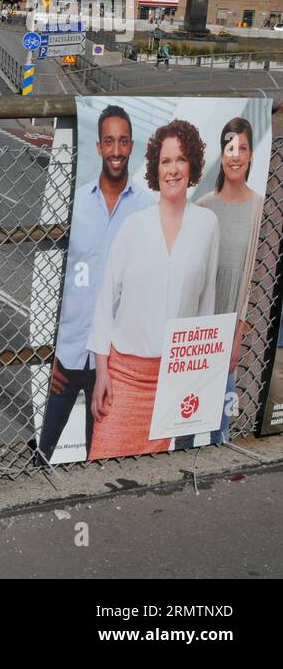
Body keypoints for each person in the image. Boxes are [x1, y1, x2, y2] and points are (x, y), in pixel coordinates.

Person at [88, 120, 219, 460]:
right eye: (165, 161)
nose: (172, 170)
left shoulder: (208, 225)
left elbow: (206, 308)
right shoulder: (134, 226)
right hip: (125, 377)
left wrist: (197, 377)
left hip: (175, 378)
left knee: (155, 485)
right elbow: (105, 305)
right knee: (103, 468)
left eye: (180, 160)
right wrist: (102, 373)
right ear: (154, 168)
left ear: (192, 165)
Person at [39, 106, 151, 463]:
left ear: (131, 146)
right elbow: (53, 273)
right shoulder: (77, 204)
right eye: (108, 141)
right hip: (69, 351)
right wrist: (50, 348)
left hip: (114, 357)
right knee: (43, 450)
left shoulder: (147, 210)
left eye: (122, 141)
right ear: (99, 147)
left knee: (99, 454)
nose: (116, 150)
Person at [194, 117, 264, 445]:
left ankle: (219, 447)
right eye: (230, 147)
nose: (235, 155)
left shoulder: (257, 208)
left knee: (220, 411)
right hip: (198, 321)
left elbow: (250, 279)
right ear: (222, 154)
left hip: (229, 320)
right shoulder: (203, 206)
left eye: (243, 148)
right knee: (188, 403)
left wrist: (238, 332)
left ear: (250, 156)